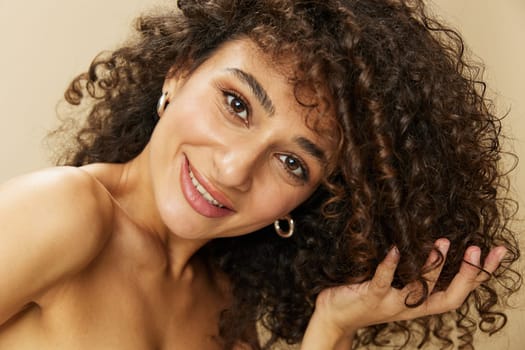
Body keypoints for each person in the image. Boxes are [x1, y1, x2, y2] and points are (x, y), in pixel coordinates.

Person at [0, 0, 520, 349]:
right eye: (237, 104)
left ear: (314, 199)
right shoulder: (66, 210)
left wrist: (334, 324)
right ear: (179, 73)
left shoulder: (225, 299)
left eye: (293, 163)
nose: (232, 169)